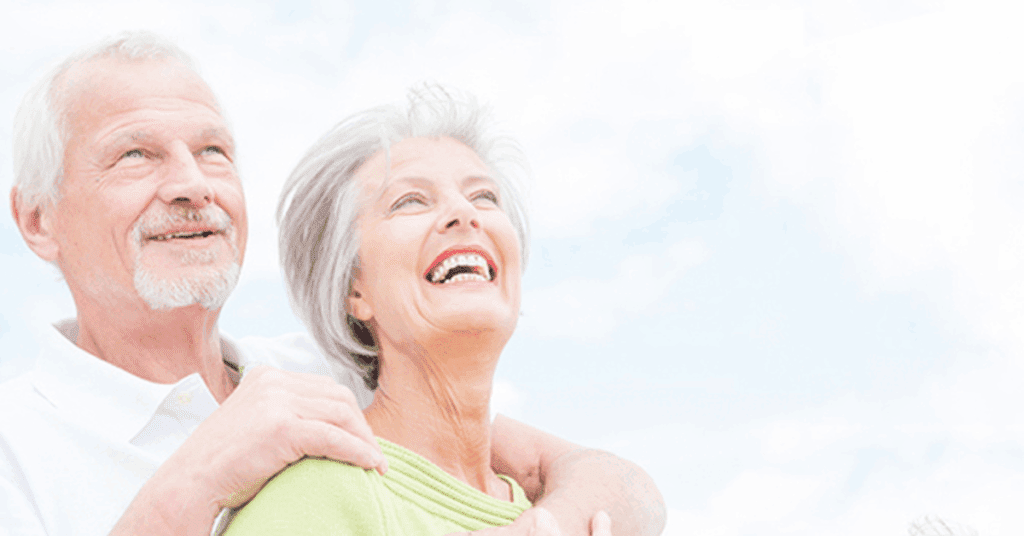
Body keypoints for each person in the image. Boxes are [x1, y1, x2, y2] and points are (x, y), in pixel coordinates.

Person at [0, 32, 666, 536]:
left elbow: (606, 477)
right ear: (38, 220)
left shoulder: (335, 373)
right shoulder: (16, 446)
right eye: (135, 155)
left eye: (214, 152)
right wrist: (196, 481)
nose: (191, 185)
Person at [225, 86, 591, 534]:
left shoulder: (552, 507)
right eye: (410, 201)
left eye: (484, 197)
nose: (463, 213)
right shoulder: (319, 496)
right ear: (353, 288)